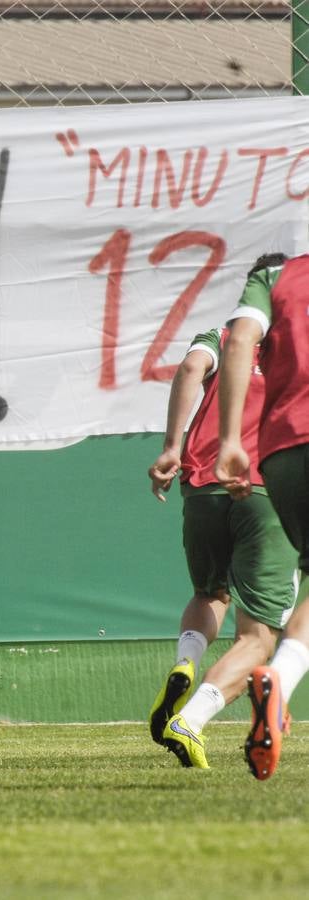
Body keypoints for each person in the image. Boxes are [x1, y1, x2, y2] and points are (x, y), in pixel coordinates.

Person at [146, 303, 297, 769]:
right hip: (264, 486)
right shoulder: (295, 347)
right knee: (259, 637)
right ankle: (192, 720)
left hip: (201, 485)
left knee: (209, 593)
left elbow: (192, 366)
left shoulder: (224, 334)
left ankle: (185, 662)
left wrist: (172, 447)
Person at [216, 251, 309, 780]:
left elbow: (240, 341)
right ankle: (281, 676)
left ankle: (279, 681)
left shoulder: (275, 277)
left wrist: (231, 439)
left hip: (282, 452)